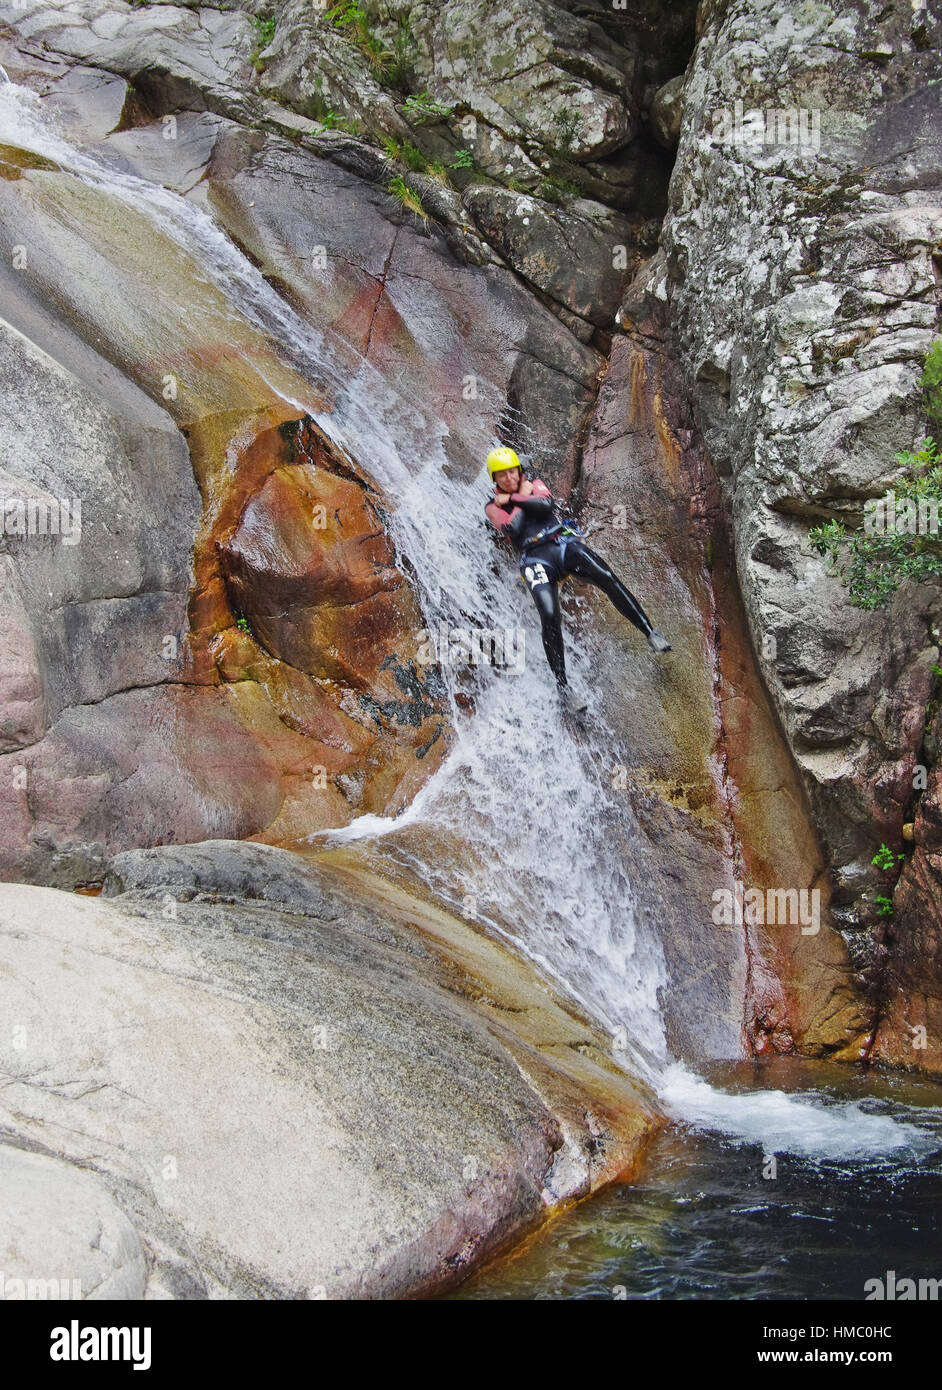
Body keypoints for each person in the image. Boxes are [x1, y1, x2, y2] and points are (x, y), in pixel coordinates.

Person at [483, 446, 670, 712]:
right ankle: (563, 686)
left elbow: (545, 504)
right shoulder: (492, 507)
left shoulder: (534, 484)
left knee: (605, 576)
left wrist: (518, 498)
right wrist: (520, 499)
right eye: (501, 476)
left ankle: (650, 632)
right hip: (535, 560)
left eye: (512, 472)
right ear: (495, 479)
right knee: (549, 614)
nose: (509, 479)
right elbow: (512, 529)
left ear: (519, 470)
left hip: (562, 544)